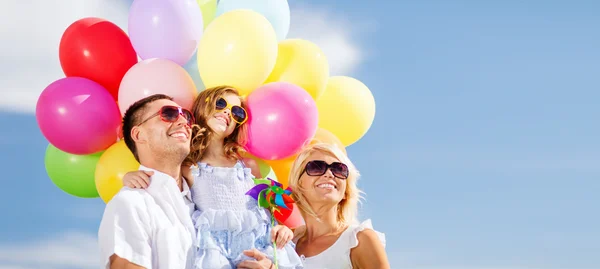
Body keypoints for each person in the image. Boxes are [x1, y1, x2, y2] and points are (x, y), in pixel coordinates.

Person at [122, 86, 303, 269]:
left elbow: (264, 214)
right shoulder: (186, 167)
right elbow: (161, 188)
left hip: (257, 249)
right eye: (220, 103)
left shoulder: (248, 166)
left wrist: (282, 229)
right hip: (215, 253)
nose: (227, 112)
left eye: (237, 112)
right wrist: (130, 176)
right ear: (202, 107)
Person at [238, 143, 390, 269]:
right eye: (316, 167)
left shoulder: (359, 239)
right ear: (298, 184)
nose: (330, 174)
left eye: (339, 169)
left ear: (346, 190)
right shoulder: (285, 242)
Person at [97, 94, 198, 268]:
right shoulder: (130, 203)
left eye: (186, 115)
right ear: (138, 134)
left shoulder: (205, 199)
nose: (183, 121)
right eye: (168, 114)